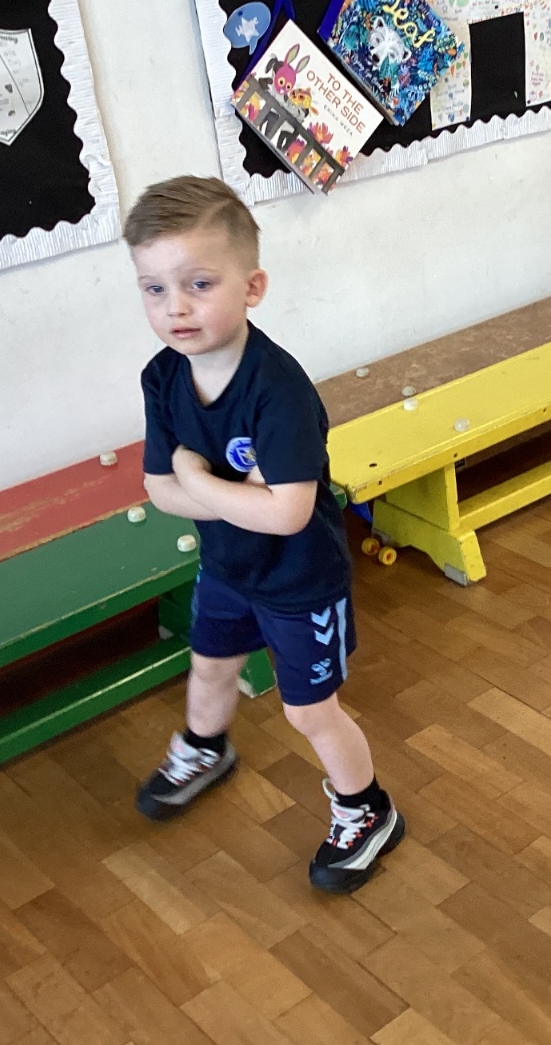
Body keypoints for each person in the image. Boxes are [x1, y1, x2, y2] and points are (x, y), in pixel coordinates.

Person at [123, 175, 401, 893]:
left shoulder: (277, 391)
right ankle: (205, 748)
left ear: (252, 287)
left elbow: (287, 513)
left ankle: (368, 808)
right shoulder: (162, 378)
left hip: (300, 583)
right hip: (226, 570)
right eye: (154, 288)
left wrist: (199, 477)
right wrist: (234, 494)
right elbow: (158, 491)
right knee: (209, 667)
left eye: (199, 283)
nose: (176, 307)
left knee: (309, 710)